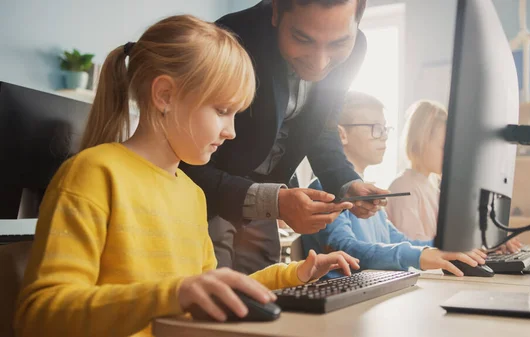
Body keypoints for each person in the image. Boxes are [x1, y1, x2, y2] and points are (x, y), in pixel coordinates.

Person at [13, 15, 359, 337]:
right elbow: (40, 314)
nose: (232, 132)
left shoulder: (191, 194)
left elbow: (211, 288)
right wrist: (176, 293)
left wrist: (294, 275)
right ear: (165, 95)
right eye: (223, 111)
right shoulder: (94, 174)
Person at [180, 0, 390, 275]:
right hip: (208, 191)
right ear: (276, 11)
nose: (320, 62)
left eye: (338, 44)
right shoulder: (233, 37)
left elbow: (321, 126)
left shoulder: (355, 50)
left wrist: (346, 182)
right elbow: (191, 159)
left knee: (264, 297)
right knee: (216, 297)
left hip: (270, 198)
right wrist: (274, 201)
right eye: (302, 39)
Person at [301, 92, 486, 277]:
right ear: (341, 134)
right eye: (375, 128)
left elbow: (396, 240)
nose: (384, 136)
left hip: (368, 292)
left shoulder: (368, 192)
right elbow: (347, 250)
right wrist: (419, 256)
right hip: (341, 298)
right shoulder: (324, 191)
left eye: (384, 129)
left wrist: (452, 249)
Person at [386, 100, 521, 252]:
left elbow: (448, 241)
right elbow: (417, 249)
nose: (451, 155)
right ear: (420, 142)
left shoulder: (432, 188)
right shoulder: (404, 188)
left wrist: (489, 244)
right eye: (444, 147)